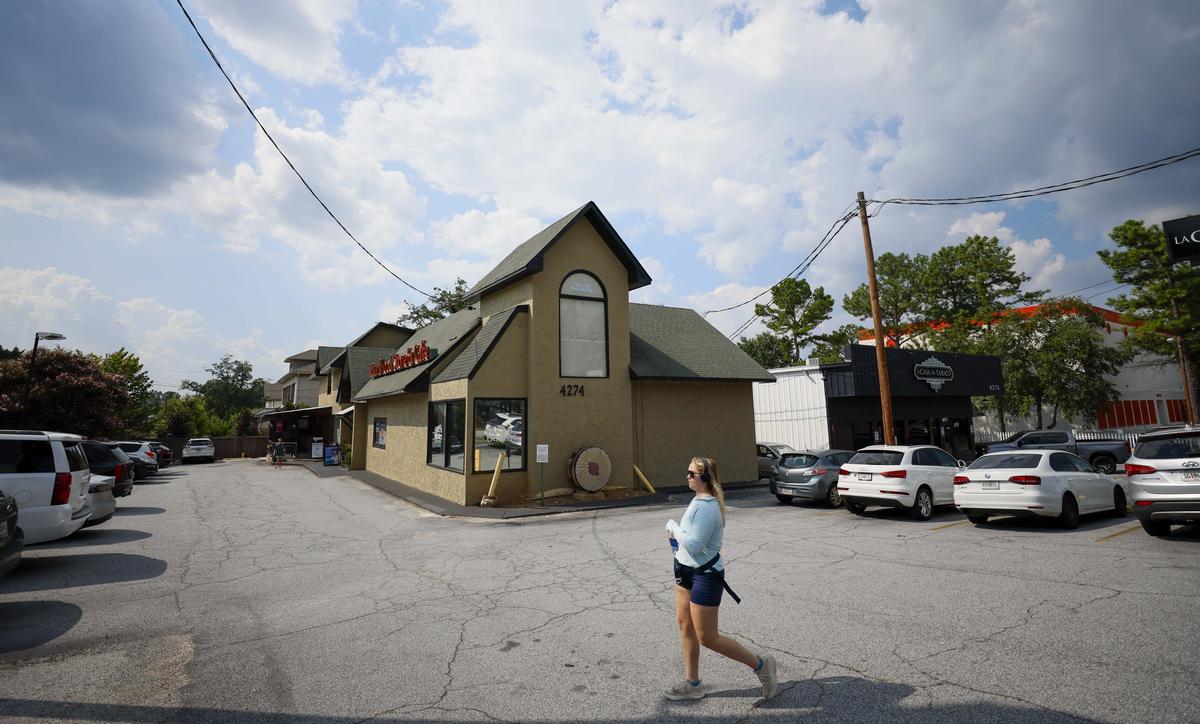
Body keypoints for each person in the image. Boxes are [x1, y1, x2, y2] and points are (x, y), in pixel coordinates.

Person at [664, 456, 778, 701]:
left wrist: (673, 527)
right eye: (688, 472)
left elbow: (694, 545)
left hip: (705, 575)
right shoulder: (697, 501)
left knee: (708, 637)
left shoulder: (707, 507)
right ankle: (693, 683)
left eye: (692, 474)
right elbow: (689, 544)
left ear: (705, 478)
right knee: (685, 626)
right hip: (683, 571)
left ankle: (761, 665)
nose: (688, 477)